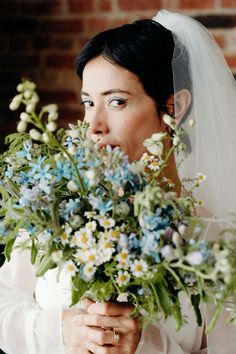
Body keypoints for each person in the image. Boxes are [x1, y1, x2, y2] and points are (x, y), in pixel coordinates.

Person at [0, 9, 236, 354]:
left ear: (175, 106)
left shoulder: (213, 237)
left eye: (117, 102)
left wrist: (152, 345)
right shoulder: (56, 209)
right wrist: (59, 329)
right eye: (87, 103)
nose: (93, 124)